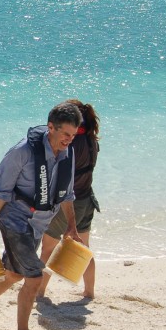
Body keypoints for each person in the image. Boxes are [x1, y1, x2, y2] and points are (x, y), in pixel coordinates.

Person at [0, 102, 83, 330]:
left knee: (14, 274)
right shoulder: (21, 152)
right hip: (15, 220)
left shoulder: (68, 152)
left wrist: (71, 226)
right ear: (51, 127)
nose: (69, 140)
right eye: (65, 134)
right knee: (33, 277)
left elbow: (67, 194)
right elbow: (0, 193)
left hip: (40, 223)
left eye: (73, 136)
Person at [37, 100, 100, 301]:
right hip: (87, 199)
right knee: (84, 249)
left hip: (69, 203)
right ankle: (89, 291)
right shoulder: (92, 141)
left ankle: (38, 291)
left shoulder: (72, 145)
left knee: (48, 248)